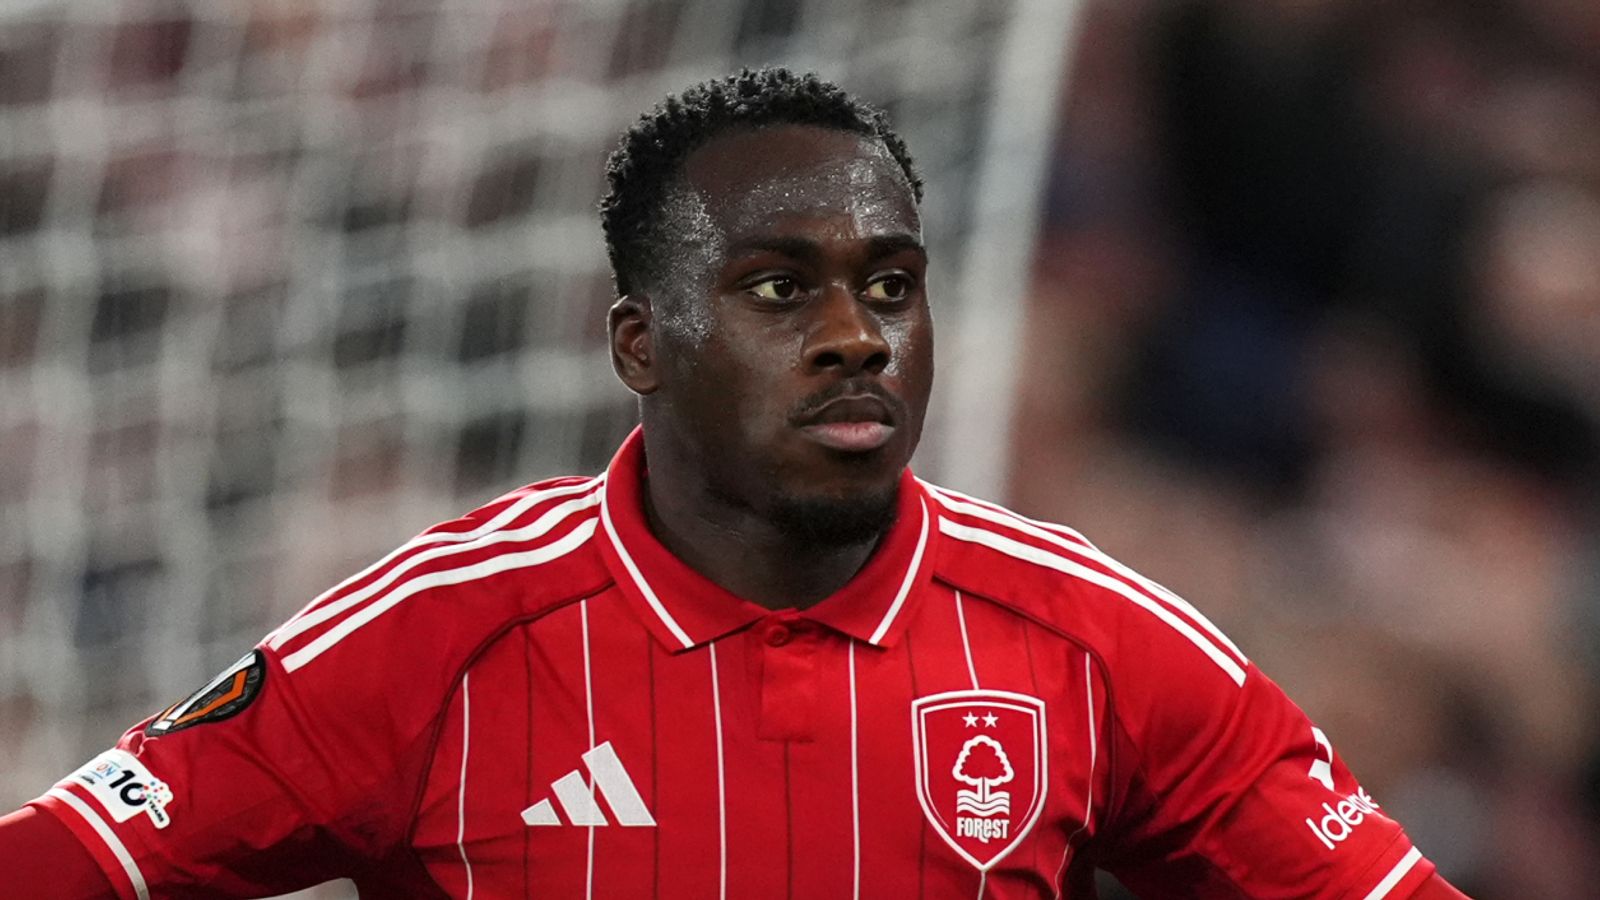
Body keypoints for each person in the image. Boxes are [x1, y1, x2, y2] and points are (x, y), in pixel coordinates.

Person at [0, 67, 1469, 899]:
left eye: (891, 287)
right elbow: (71, 860)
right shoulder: (444, 635)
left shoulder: (1092, 640)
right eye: (780, 290)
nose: (855, 337)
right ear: (641, 341)